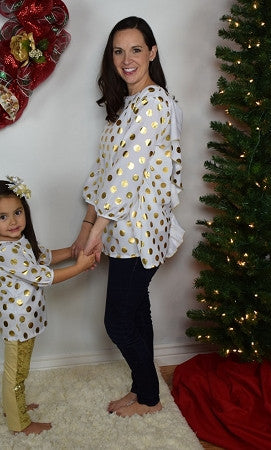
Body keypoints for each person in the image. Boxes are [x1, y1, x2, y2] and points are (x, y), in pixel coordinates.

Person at [72, 16, 184, 417]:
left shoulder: (154, 103)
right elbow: (103, 172)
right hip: (120, 231)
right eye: (118, 51)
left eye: (136, 49)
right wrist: (89, 225)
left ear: (152, 53)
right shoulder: (127, 106)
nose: (127, 59)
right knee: (136, 313)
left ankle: (150, 396)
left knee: (118, 322)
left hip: (138, 232)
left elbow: (125, 177)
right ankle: (144, 390)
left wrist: (96, 231)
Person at [0, 176, 95, 435]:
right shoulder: (4, 251)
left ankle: (14, 406)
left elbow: (44, 257)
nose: (13, 222)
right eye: (3, 217)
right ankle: (19, 423)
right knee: (16, 372)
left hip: (25, 320)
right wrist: (80, 267)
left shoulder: (18, 242)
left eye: (17, 213)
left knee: (19, 370)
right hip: (18, 323)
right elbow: (43, 276)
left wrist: (74, 250)